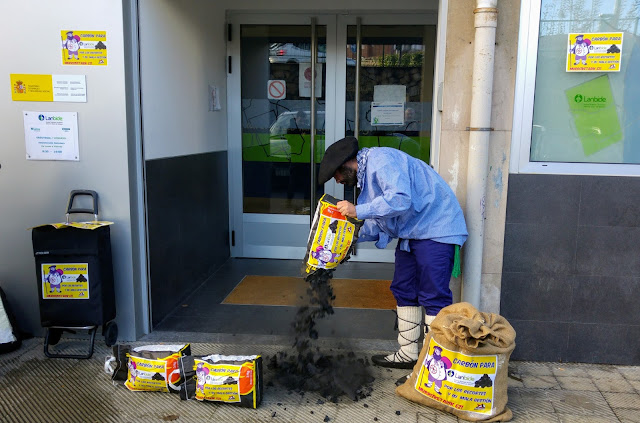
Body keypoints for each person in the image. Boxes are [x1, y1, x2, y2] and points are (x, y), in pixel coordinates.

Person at [317, 136, 467, 369]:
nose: (336, 180)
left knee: (433, 295)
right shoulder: (367, 179)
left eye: (335, 174)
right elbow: (381, 220)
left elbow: (399, 200)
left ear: (347, 163)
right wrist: (346, 238)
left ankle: (434, 367)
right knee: (404, 288)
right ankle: (408, 354)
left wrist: (358, 210)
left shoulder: (381, 160)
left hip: (436, 228)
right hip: (413, 232)